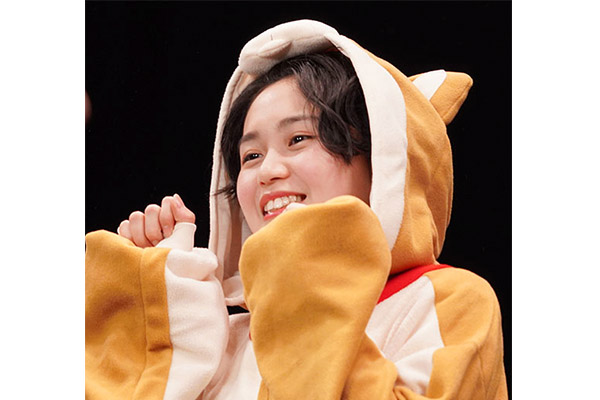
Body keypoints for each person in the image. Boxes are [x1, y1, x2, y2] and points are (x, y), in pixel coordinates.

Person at [85, 19, 507, 399]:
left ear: (382, 160)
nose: (268, 171)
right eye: (250, 156)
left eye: (299, 139)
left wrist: (304, 284)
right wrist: (148, 310)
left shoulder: (448, 300)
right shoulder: (223, 335)